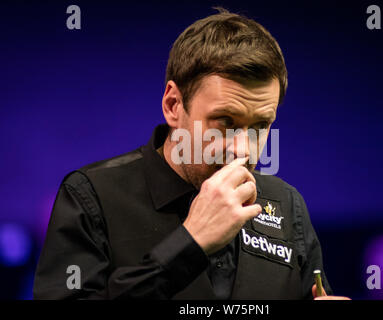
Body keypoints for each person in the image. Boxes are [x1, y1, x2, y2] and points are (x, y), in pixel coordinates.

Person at [33, 8, 349, 300]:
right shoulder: (92, 197)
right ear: (173, 105)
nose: (243, 149)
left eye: (261, 125)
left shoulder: (285, 204)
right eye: (225, 122)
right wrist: (190, 243)